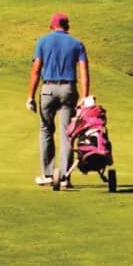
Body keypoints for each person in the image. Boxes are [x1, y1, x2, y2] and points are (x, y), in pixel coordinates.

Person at [26, 12, 90, 189]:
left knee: (46, 130)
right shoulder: (77, 43)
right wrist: (84, 97)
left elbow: (36, 70)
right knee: (67, 133)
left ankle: (47, 175)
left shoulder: (42, 41)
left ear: (52, 25)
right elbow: (84, 72)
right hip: (68, 90)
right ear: (67, 26)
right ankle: (64, 177)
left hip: (47, 90)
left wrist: (30, 97)